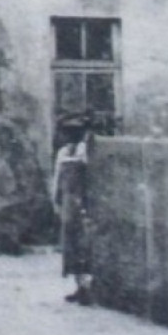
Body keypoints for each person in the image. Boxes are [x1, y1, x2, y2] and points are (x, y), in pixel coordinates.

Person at [54, 114, 94, 304]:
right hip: (68, 204)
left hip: (83, 203)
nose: (69, 136)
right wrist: (57, 200)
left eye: (73, 133)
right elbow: (57, 180)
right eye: (67, 133)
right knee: (71, 245)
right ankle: (79, 286)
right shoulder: (62, 153)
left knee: (85, 245)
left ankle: (88, 287)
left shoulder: (86, 152)